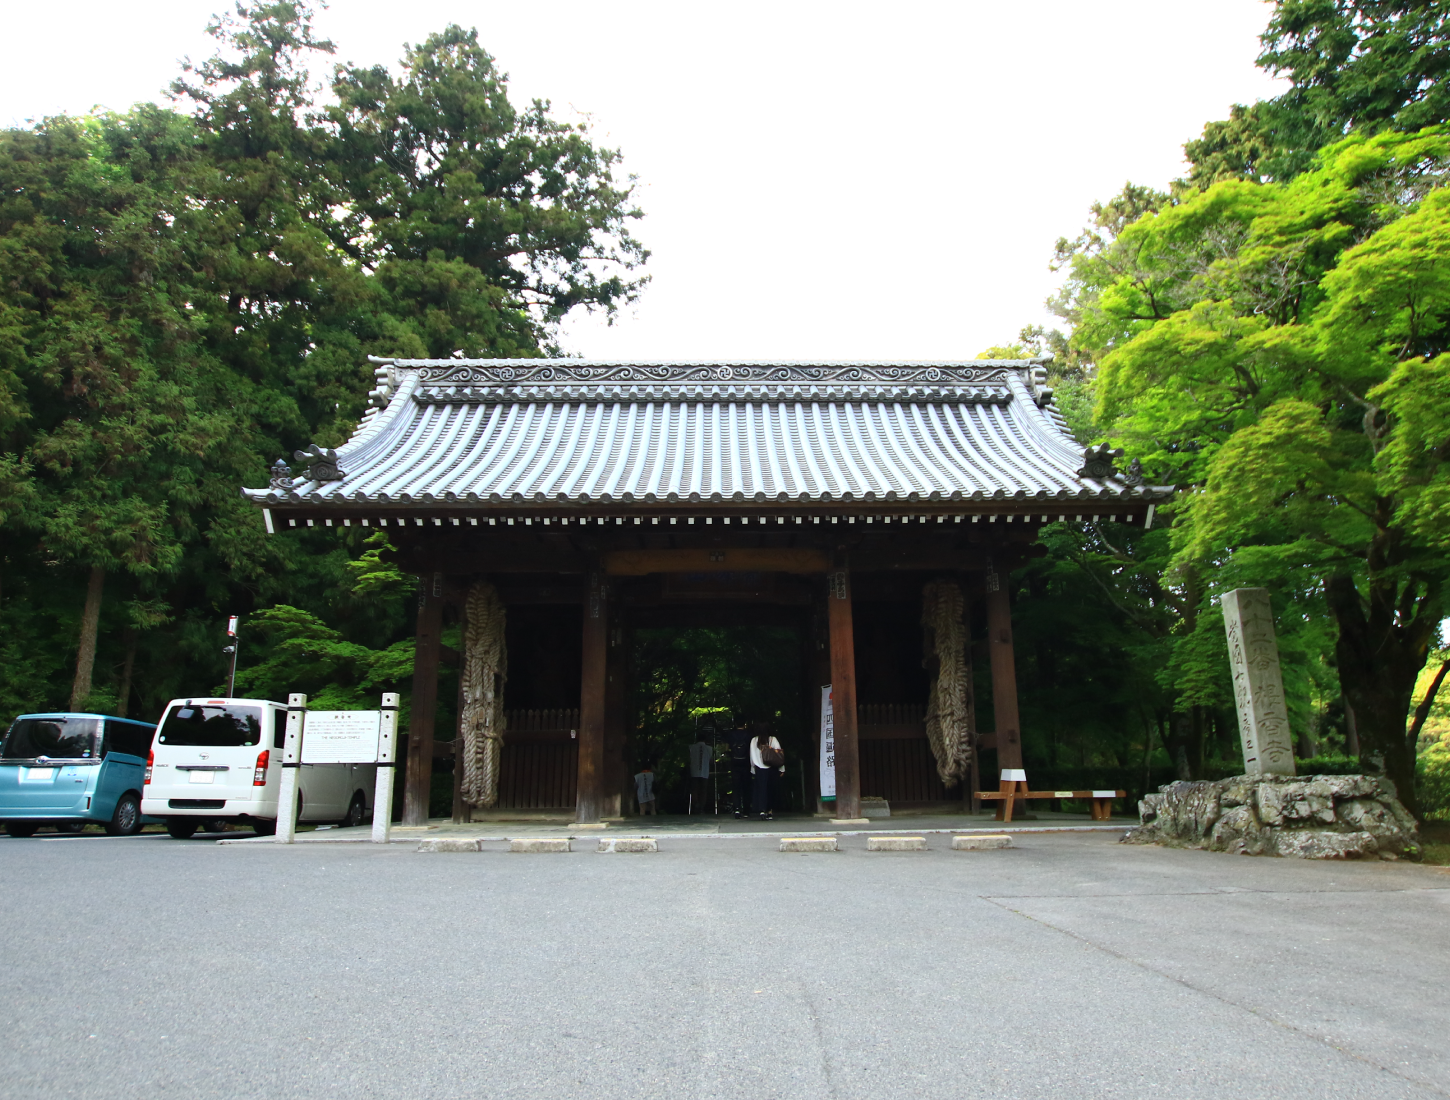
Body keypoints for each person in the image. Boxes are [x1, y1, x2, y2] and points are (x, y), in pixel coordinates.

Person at [749, 721, 785, 821]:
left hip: (759, 768)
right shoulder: (773, 740)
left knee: (761, 789)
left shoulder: (754, 741)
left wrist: (753, 769)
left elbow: (752, 757)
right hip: (772, 768)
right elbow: (779, 755)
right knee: (771, 790)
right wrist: (782, 769)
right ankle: (769, 810)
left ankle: (762, 810)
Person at [728, 724, 753, 818]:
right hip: (746, 762)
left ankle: (737, 808)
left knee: (736, 787)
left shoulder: (731, 734)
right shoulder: (749, 735)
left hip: (734, 762)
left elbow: (727, 747)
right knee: (746, 787)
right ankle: (746, 810)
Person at [688, 733, 711, 814]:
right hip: (704, 771)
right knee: (703, 790)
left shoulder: (692, 747)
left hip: (694, 771)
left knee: (694, 788)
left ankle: (696, 804)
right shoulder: (709, 748)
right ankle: (702, 806)